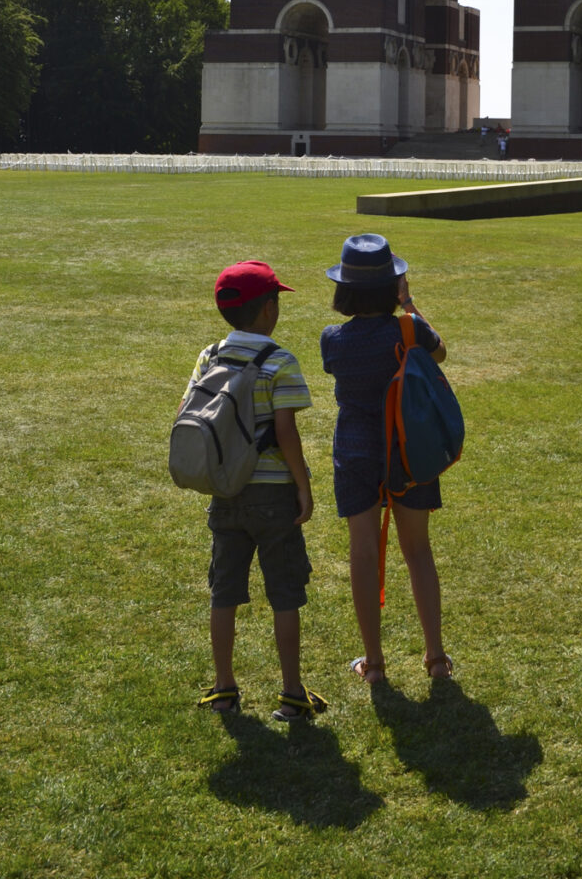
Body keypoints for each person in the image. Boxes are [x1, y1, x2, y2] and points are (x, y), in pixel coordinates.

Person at [183, 259, 327, 721]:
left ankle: (224, 688)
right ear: (268, 310)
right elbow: (286, 433)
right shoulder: (280, 361)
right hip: (273, 495)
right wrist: (303, 487)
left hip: (225, 491)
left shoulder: (209, 356)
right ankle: (290, 693)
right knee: (284, 593)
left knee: (223, 591)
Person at [320, 233, 453, 685]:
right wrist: (409, 303)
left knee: (363, 552)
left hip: (356, 450)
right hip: (409, 448)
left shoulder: (332, 340)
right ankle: (436, 658)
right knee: (418, 551)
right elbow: (441, 352)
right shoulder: (409, 329)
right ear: (392, 285)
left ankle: (374, 664)